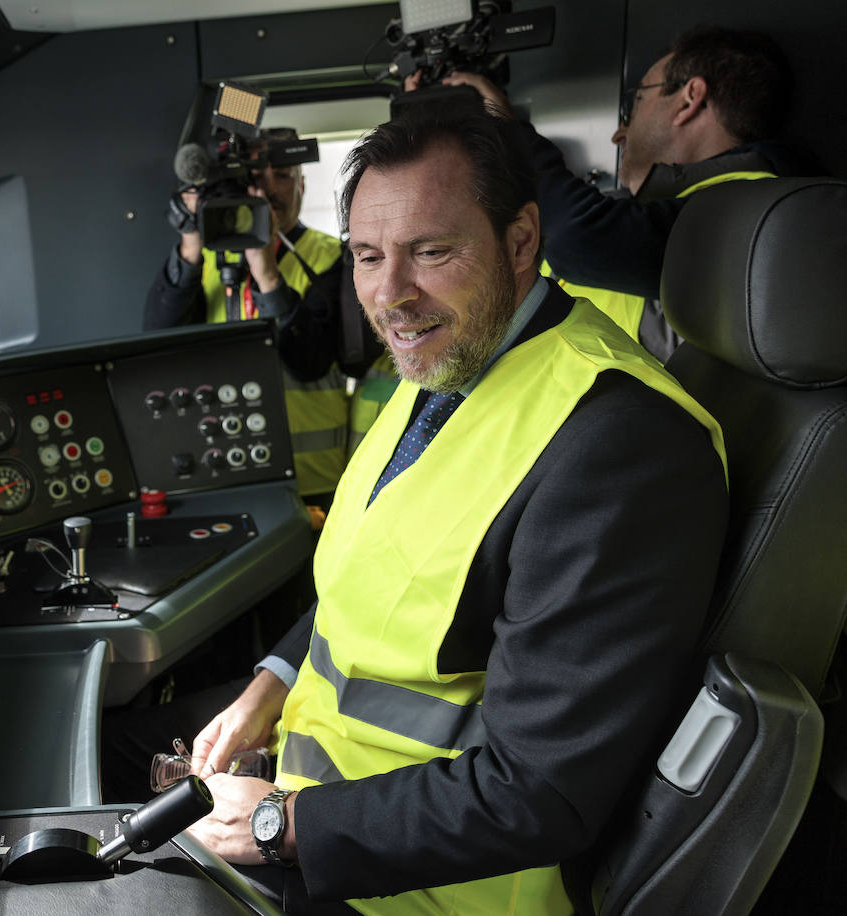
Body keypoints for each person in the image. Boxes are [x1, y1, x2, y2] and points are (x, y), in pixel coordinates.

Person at [178, 101, 729, 914]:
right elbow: (373, 567)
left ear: (520, 241)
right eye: (367, 257)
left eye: (430, 252)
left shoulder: (619, 445)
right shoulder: (443, 360)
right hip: (314, 773)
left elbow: (538, 793)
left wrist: (276, 826)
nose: (391, 296)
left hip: (417, 885)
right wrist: (269, 684)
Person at [441, 26, 818, 360]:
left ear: (689, 100)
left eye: (636, 102)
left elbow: (580, 238)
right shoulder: (673, 213)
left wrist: (506, 129)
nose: (620, 133)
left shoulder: (750, 209)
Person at [143, 127, 357, 510]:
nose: (270, 189)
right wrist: (190, 246)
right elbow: (156, 344)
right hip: (220, 470)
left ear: (303, 186)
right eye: (256, 177)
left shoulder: (331, 258)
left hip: (314, 480)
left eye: (284, 177)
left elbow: (311, 361)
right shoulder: (200, 261)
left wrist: (267, 273)